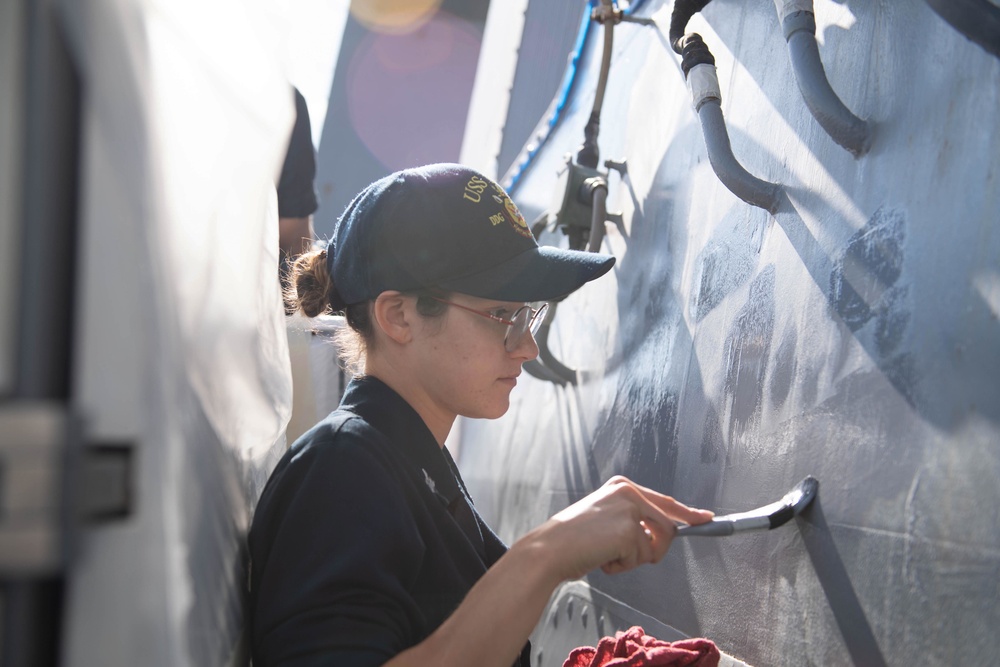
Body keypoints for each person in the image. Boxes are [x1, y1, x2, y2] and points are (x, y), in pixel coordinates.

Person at [247, 163, 714, 667]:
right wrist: (547, 554)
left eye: (527, 314)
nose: (528, 347)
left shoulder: (404, 463)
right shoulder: (341, 470)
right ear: (397, 316)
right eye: (502, 316)